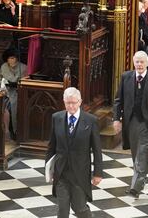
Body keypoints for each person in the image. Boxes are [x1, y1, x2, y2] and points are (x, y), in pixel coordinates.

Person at [45, 87, 102, 218]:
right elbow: (51, 146)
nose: (71, 106)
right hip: (61, 172)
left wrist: (98, 173)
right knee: (62, 209)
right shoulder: (56, 118)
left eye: (74, 102)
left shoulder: (90, 120)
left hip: (80, 174)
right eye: (67, 103)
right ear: (64, 102)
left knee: (79, 207)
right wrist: (49, 169)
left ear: (80, 102)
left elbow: (97, 149)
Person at [113, 51, 148, 198]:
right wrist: (116, 119)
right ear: (133, 63)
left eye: (142, 62)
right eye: (137, 62)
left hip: (147, 123)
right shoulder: (126, 77)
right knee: (136, 153)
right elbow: (118, 100)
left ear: (147, 63)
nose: (139, 64)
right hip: (131, 121)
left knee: (142, 153)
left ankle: (136, 186)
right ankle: (140, 179)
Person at [0, 48, 28, 139]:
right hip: (4, 92)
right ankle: (2, 132)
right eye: (9, 58)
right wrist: (1, 84)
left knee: (14, 105)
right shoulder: (4, 66)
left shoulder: (24, 67)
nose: (11, 60)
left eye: (13, 58)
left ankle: (15, 131)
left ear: (17, 58)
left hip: (17, 93)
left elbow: (25, 83)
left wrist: (15, 84)